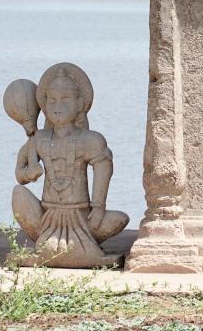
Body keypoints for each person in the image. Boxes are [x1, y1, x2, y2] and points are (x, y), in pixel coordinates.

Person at [7, 62, 129, 267]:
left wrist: (98, 207)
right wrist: (29, 173)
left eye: (66, 99)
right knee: (18, 193)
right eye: (52, 100)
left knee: (119, 220)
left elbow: (104, 167)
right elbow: (19, 174)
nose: (58, 106)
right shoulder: (38, 139)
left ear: (80, 103)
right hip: (47, 216)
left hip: (82, 216)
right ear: (44, 105)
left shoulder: (91, 139)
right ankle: (53, 241)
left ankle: (69, 244)